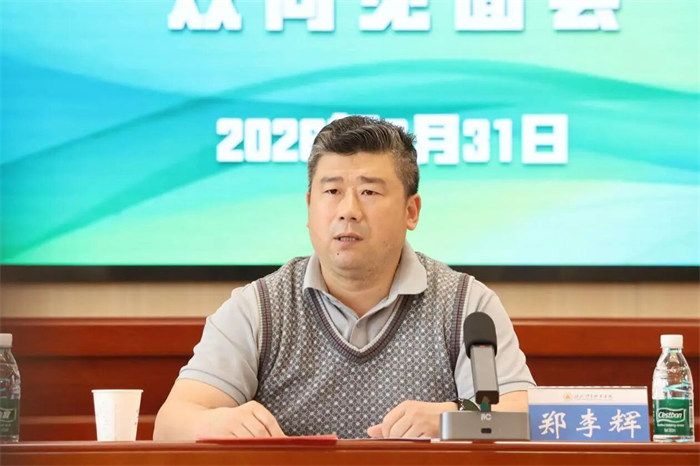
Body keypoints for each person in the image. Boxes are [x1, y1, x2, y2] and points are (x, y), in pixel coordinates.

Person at [153, 116, 535, 440]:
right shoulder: (259, 308)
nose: (348, 210)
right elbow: (171, 423)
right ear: (309, 206)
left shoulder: (467, 305)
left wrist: (451, 420)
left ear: (411, 211)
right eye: (333, 191)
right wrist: (218, 422)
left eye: (369, 191)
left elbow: (527, 420)